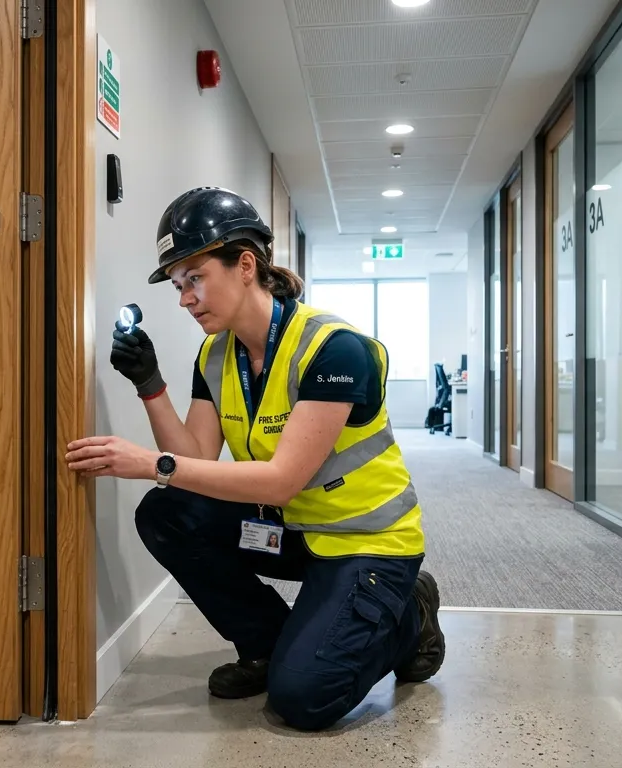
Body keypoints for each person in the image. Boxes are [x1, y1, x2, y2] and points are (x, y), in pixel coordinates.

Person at [64, 186, 444, 732]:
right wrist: (150, 385)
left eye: (194, 277)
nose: (185, 298)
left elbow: (281, 481)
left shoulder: (333, 348)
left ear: (245, 265)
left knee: (304, 700)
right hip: (292, 535)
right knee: (167, 514)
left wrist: (150, 463)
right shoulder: (217, 354)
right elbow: (194, 458)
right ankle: (267, 646)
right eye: (177, 284)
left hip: (366, 542)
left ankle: (411, 613)